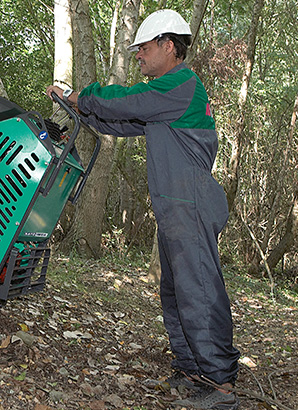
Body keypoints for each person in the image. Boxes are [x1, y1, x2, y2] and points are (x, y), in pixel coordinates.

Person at [46, 9, 240, 410]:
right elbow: (122, 121)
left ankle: (220, 386)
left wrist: (85, 95)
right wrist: (80, 108)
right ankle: (192, 370)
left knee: (198, 291)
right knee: (176, 291)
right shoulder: (165, 101)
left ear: (169, 46)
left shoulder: (181, 85)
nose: (139, 56)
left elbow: (129, 100)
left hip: (190, 204)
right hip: (176, 207)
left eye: (144, 49)